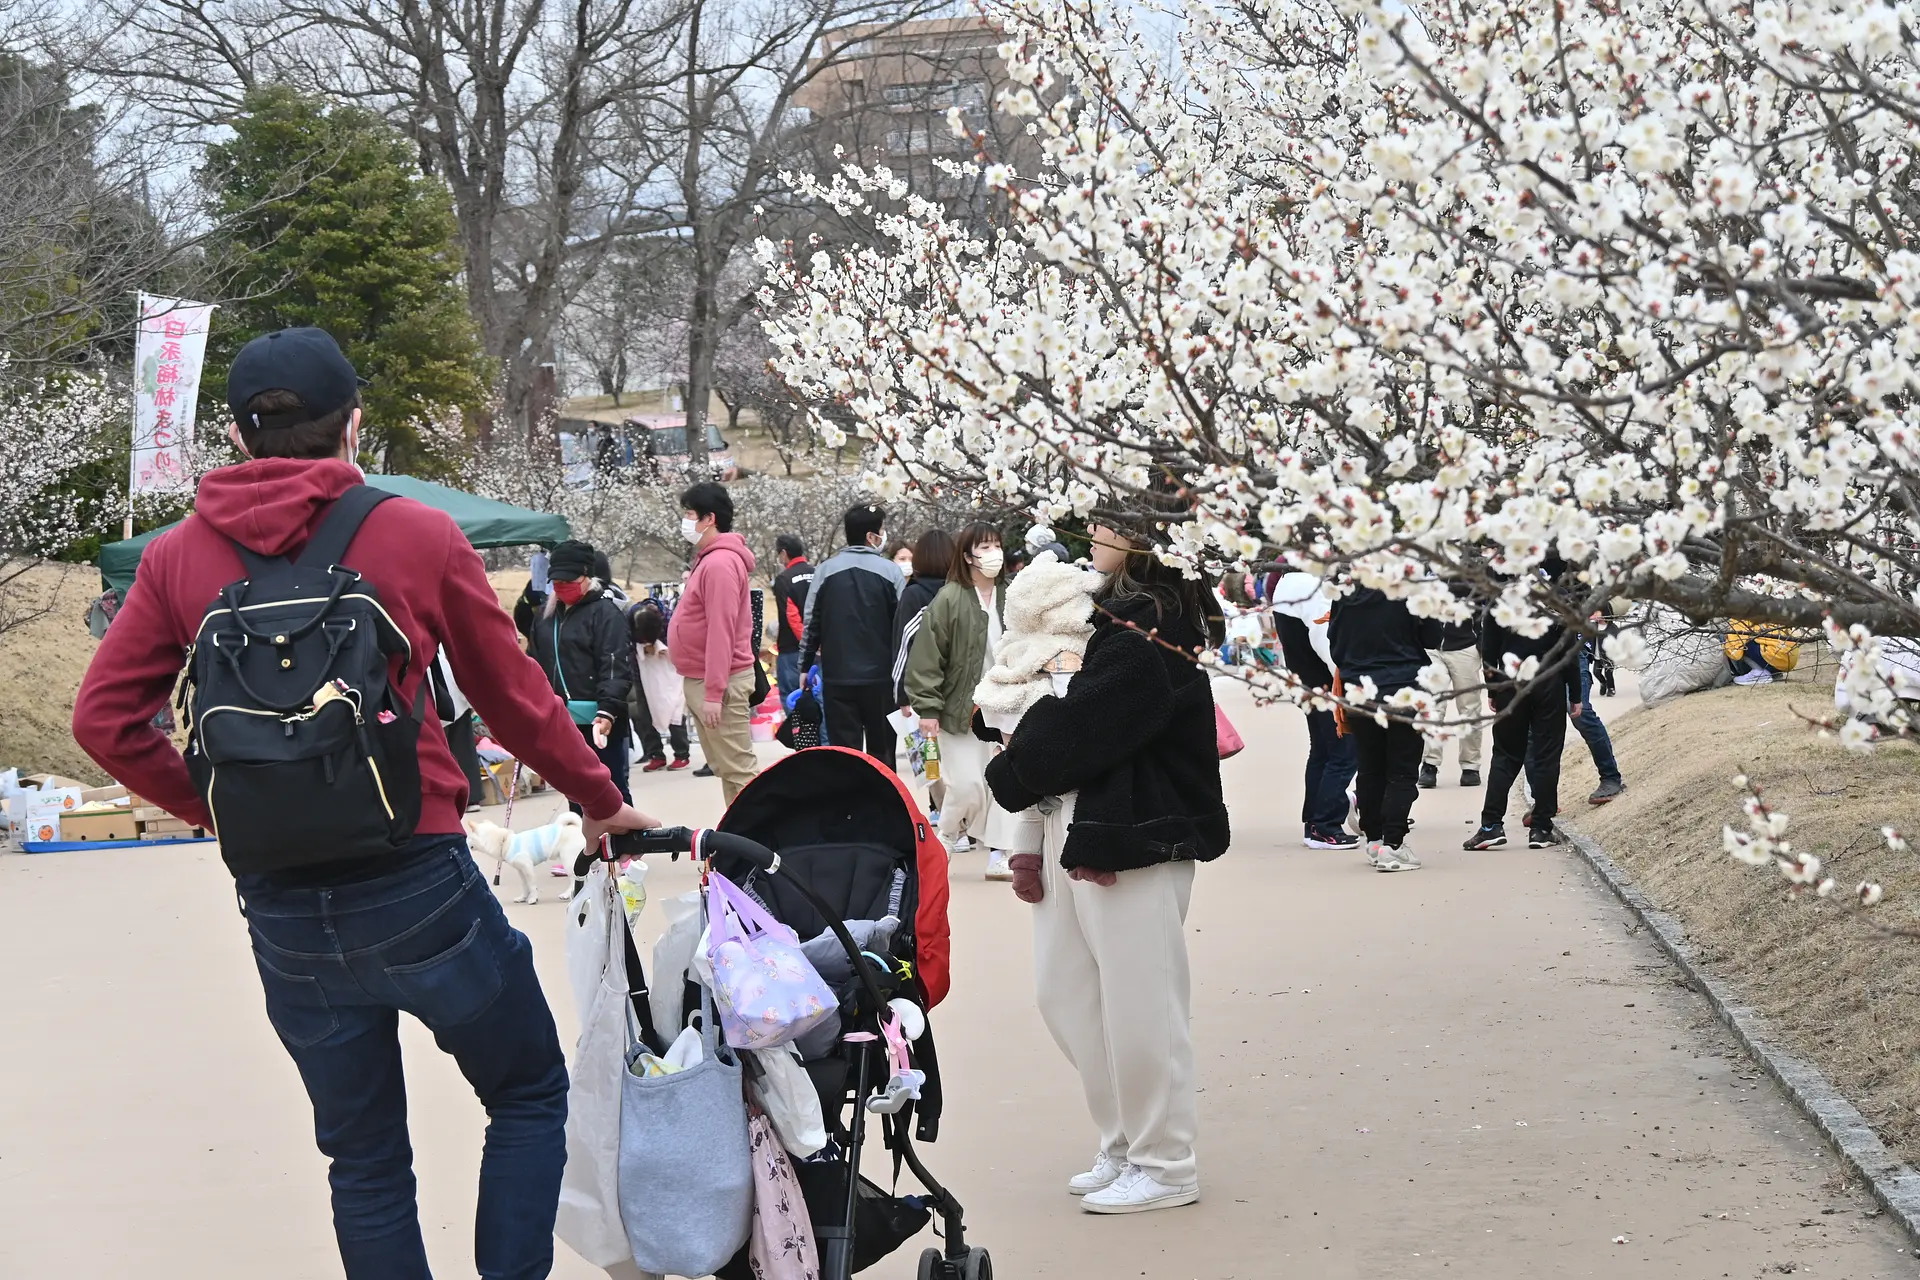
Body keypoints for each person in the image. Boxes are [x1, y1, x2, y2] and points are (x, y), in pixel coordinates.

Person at [69, 325, 654, 1280]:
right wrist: (598, 798)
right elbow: (511, 694)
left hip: (282, 903)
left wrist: (222, 808)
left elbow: (103, 719)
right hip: (417, 876)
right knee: (526, 1092)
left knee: (365, 1158)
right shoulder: (415, 533)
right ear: (354, 423)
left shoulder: (176, 559)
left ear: (239, 434)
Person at [986, 521, 1228, 1215]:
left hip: (1131, 833)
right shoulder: (1111, 617)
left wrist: (1012, 757)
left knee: (1140, 1003)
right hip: (1078, 823)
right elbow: (1058, 718)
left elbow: (1078, 728)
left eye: (1110, 520)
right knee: (1067, 994)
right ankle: (1125, 1139)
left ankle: (1165, 1160)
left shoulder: (1154, 622)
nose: (1092, 532)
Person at [905, 523, 1015, 877]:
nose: (993, 553)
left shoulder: (1012, 596)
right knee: (966, 784)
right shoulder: (949, 598)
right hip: (960, 710)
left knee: (1003, 784)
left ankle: (999, 854)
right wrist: (927, 707)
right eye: (984, 547)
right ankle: (947, 837)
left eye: (996, 545)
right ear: (967, 556)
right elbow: (927, 657)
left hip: (1005, 707)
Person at [1328, 586, 1443, 872]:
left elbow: (1335, 643)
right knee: (1402, 769)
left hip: (1359, 687)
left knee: (1370, 767)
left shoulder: (1346, 589)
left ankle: (1375, 839)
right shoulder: (1411, 587)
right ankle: (1393, 844)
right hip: (1404, 684)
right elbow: (1433, 637)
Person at [1466, 581, 1585, 851]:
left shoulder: (1500, 601)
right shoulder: (1554, 597)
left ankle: (1491, 824)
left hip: (1511, 681)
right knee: (1546, 754)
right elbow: (1569, 651)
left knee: (1505, 754)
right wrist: (1575, 694)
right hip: (1549, 681)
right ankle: (1541, 827)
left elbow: (1489, 651)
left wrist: (1493, 690)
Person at [670, 481, 761, 803]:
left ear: (709, 519)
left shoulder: (720, 563)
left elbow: (722, 630)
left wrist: (713, 691)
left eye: (689, 514)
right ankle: (738, 831)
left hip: (721, 682)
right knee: (727, 769)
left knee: (740, 770)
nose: (685, 521)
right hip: (705, 677)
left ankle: (761, 832)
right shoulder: (710, 560)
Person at [527, 539, 636, 806]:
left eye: (569, 580)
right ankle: (584, 834)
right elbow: (535, 663)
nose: (562, 586)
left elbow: (615, 665)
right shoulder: (546, 617)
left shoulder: (606, 614)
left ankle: (625, 835)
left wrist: (608, 710)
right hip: (562, 721)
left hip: (601, 720)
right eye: (556, 581)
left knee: (612, 791)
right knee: (576, 793)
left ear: (588, 576)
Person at [800, 503, 905, 762]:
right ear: (871, 536)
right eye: (882, 530)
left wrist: (805, 665)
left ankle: (850, 790)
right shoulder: (891, 571)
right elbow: (902, 627)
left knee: (845, 756)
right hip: (882, 678)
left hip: (838, 677)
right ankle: (883, 789)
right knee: (883, 753)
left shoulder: (825, 571)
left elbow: (811, 621)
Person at [1268, 570, 1357, 849]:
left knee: (1322, 752)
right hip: (1326, 683)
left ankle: (1314, 824)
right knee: (1344, 754)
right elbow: (1324, 639)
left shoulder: (1284, 582)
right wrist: (1346, 679)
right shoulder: (1311, 586)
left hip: (1305, 679)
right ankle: (1326, 825)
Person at [891, 528, 956, 809]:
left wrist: (901, 695)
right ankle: (966, 817)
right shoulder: (963, 591)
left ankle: (944, 813)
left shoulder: (914, 595)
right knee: (960, 759)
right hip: (960, 688)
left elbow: (903, 646)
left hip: (922, 691)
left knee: (930, 762)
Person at [1417, 590, 1483, 790]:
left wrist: (1481, 643)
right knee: (1433, 706)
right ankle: (1429, 764)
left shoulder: (1472, 573)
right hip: (1431, 648)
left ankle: (1470, 766)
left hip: (1465, 646)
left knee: (1469, 708)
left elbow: (1486, 603)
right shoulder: (1426, 571)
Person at [627, 598, 691, 771]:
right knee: (644, 712)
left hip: (669, 671)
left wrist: (659, 646)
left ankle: (681, 754)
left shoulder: (670, 619)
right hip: (641, 671)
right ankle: (655, 754)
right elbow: (626, 642)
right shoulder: (629, 619)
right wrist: (641, 647)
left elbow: (681, 642)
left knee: (674, 707)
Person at [771, 533, 814, 701]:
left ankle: (797, 721)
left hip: (792, 649)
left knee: (792, 697)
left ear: (784, 553)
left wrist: (805, 642)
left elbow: (790, 616)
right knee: (817, 696)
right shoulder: (817, 573)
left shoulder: (784, 579)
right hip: (819, 649)